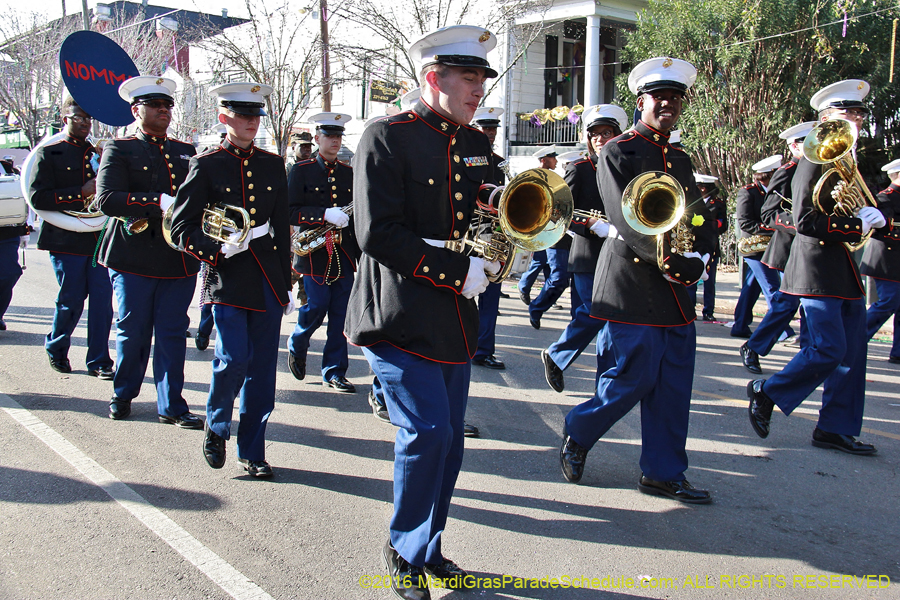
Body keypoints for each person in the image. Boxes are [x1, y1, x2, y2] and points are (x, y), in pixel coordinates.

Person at [347, 25, 498, 600]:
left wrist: (503, 247)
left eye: (482, 78)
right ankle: (404, 549)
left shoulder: (475, 142)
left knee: (450, 441)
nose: (478, 89)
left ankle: (429, 545)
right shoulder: (386, 135)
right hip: (399, 310)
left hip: (455, 315)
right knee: (427, 432)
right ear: (433, 78)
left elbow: (490, 213)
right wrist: (457, 271)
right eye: (468, 78)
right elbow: (376, 233)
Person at [559, 56, 715, 504]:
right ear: (641, 101)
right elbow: (623, 219)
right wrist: (669, 261)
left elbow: (697, 212)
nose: (667, 104)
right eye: (659, 97)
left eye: (675, 98)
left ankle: (663, 472)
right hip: (632, 281)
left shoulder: (681, 156)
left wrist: (703, 254)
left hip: (677, 287)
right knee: (632, 376)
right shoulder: (617, 151)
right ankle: (579, 428)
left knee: (673, 384)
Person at [747, 79, 879, 456]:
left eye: (858, 113)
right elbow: (804, 221)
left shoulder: (845, 161)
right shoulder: (812, 159)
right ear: (825, 119)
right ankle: (767, 391)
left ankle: (835, 428)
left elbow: (847, 206)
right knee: (828, 349)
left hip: (844, 267)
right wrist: (858, 226)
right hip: (817, 268)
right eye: (847, 112)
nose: (855, 119)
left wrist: (871, 216)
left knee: (852, 355)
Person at [171, 82, 292, 477]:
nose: (251, 123)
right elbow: (181, 227)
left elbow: (282, 227)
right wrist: (217, 250)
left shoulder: (274, 164)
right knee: (233, 358)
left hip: (267, 277)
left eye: (255, 115)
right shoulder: (205, 164)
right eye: (242, 115)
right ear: (224, 117)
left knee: (263, 372)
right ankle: (217, 424)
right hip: (227, 275)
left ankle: (252, 450)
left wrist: (287, 281)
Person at [95, 76, 203, 427]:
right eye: (155, 105)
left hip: (177, 257)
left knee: (173, 332)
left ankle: (171, 403)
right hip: (132, 255)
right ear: (135, 110)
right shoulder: (119, 149)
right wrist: (155, 202)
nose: (163, 111)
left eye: (167, 105)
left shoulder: (185, 151)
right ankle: (123, 392)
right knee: (133, 329)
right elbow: (106, 199)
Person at [541, 104, 628, 393]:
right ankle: (557, 354)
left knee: (609, 324)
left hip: (619, 254)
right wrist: (591, 225)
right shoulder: (579, 168)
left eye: (607, 132)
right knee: (596, 312)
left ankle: (604, 386)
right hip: (589, 255)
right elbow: (559, 211)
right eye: (595, 134)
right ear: (588, 139)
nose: (601, 138)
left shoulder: (625, 169)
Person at [27, 96, 115, 379]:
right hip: (65, 238)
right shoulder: (50, 153)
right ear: (66, 118)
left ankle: (99, 360)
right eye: (80, 118)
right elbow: (38, 197)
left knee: (102, 301)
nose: (86, 124)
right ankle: (57, 346)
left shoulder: (98, 152)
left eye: (89, 119)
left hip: (97, 239)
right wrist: (80, 192)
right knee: (72, 299)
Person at [287, 112, 359, 393]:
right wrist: (323, 214)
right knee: (315, 307)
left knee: (341, 316)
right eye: (329, 136)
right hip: (314, 255)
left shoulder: (349, 174)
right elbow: (290, 210)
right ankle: (298, 341)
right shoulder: (301, 171)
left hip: (343, 255)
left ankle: (334, 371)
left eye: (338, 136)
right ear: (317, 139)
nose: (334, 141)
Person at [740, 122, 816, 373]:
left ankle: (809, 352)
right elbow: (770, 214)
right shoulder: (787, 171)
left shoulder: (822, 168)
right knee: (788, 303)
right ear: (794, 146)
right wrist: (805, 224)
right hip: (793, 248)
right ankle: (754, 345)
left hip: (817, 249)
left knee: (810, 302)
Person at [732, 156, 790, 340]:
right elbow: (744, 222)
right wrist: (773, 228)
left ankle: (740, 326)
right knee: (771, 288)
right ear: (769, 176)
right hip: (754, 248)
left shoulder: (777, 193)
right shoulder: (748, 192)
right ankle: (781, 330)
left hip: (771, 247)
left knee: (751, 289)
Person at [471, 106, 507, 371]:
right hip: (466, 232)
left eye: (493, 128)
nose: (490, 133)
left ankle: (484, 349)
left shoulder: (499, 160)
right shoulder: (463, 156)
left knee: (491, 294)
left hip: (491, 233)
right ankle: (461, 344)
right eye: (485, 128)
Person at [861, 158, 900, 362]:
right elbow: (880, 228)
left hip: (895, 260)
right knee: (888, 301)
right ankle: (857, 338)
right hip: (886, 259)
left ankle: (898, 352)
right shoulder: (885, 197)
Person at [528, 145, 571, 329]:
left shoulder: (558, 178)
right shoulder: (536, 177)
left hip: (568, 235)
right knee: (558, 276)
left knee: (559, 275)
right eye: (553, 157)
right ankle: (536, 306)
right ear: (544, 159)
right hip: (553, 234)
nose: (557, 160)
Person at [691, 174, 728, 321]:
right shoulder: (692, 202)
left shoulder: (718, 204)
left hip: (710, 245)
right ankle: (690, 308)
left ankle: (708, 311)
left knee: (709, 281)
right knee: (691, 279)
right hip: (693, 245)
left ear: (704, 188)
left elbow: (722, 224)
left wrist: (706, 225)